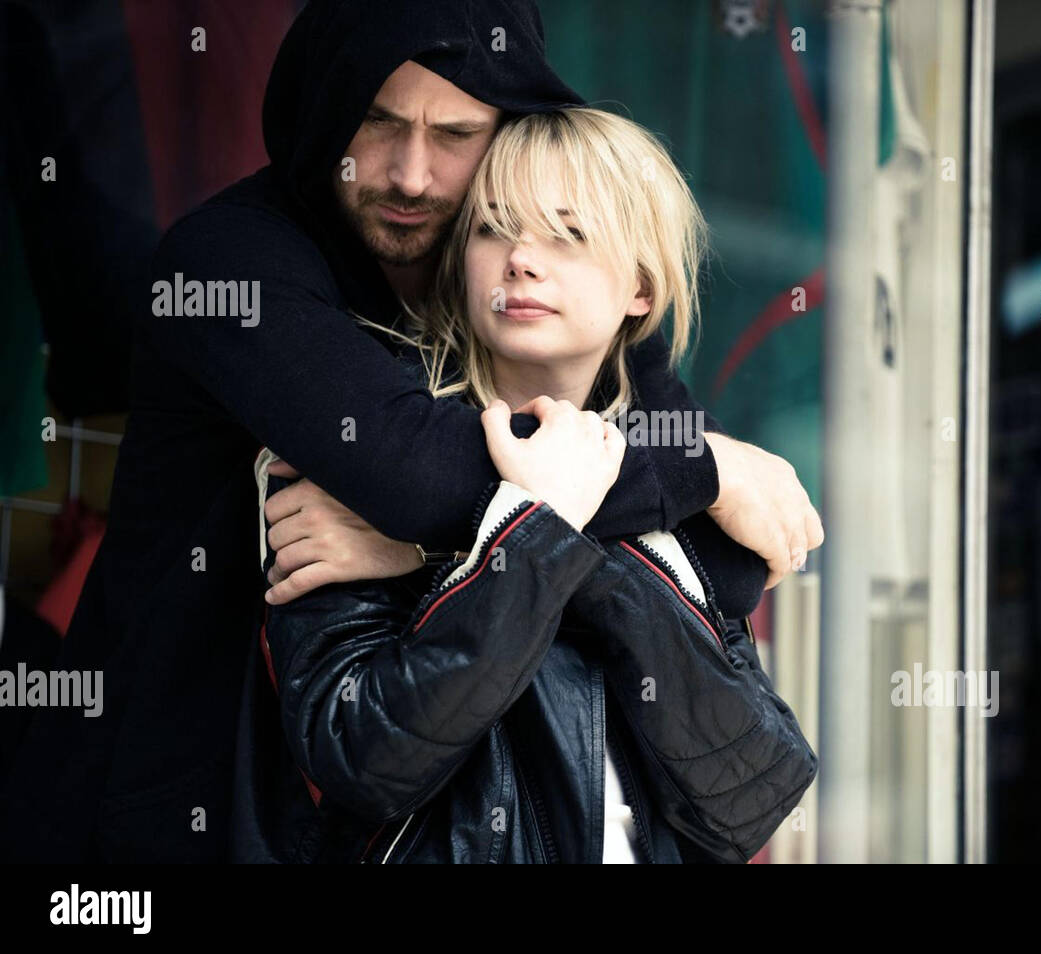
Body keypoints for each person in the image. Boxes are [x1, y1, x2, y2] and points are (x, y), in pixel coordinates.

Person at [0, 0, 820, 864]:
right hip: (160, 810)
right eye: (378, 121)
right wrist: (707, 468)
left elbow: (718, 568)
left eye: (457, 134)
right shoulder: (231, 263)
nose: (411, 175)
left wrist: (426, 550)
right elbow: (416, 476)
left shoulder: (521, 290)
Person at [236, 106, 817, 863]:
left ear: (641, 287)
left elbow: (753, 791)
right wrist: (526, 533)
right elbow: (366, 759)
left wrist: (481, 541)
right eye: (492, 227)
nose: (519, 259)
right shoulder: (370, 463)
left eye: (567, 235)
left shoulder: (663, 484)